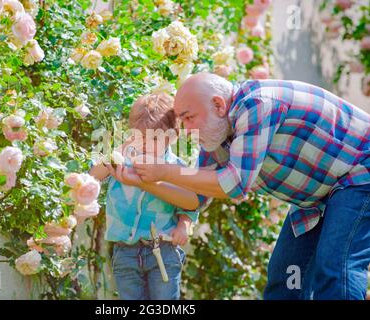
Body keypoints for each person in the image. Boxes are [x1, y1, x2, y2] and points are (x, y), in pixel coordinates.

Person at [124, 73, 370, 300]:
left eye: (189, 118)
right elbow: (196, 197)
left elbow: (235, 184)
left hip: (359, 173)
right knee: (284, 277)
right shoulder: (218, 137)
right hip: (318, 196)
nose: (187, 130)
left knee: (336, 267)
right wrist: (145, 181)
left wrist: (165, 170)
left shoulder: (257, 104)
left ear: (219, 105)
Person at [90, 93, 200, 300]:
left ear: (172, 137)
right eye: (140, 136)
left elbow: (191, 203)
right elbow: (93, 176)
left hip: (163, 250)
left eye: (154, 139)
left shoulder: (175, 168)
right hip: (125, 252)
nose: (145, 144)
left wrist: (183, 224)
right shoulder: (121, 161)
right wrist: (119, 150)